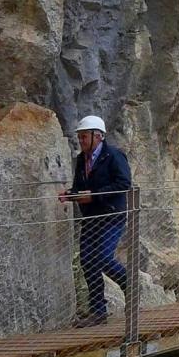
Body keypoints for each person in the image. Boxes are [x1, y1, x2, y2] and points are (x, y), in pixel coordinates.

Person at [60, 115, 132, 327]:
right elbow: (80, 186)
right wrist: (70, 194)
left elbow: (123, 183)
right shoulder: (82, 159)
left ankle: (129, 284)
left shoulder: (114, 156)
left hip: (110, 216)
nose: (81, 141)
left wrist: (94, 195)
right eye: (80, 137)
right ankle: (98, 312)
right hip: (91, 217)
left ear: (97, 136)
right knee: (87, 261)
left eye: (84, 137)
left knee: (102, 256)